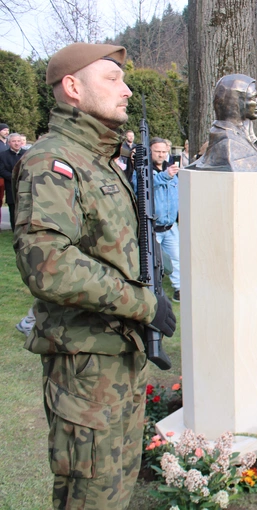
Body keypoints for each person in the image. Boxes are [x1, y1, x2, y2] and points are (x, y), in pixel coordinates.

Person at [13, 42, 177, 509]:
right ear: (72, 87)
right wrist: (144, 305)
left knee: (117, 490)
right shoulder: (54, 161)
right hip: (86, 369)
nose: (125, 89)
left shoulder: (99, 159)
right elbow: (49, 265)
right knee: (90, 498)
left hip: (119, 357)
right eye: (111, 79)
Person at [135, 137, 181, 301]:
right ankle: (152, 293)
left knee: (176, 259)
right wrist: (165, 176)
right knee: (151, 262)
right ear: (150, 151)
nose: (161, 155)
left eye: (164, 151)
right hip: (152, 227)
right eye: (158, 151)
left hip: (170, 226)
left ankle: (179, 290)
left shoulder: (171, 170)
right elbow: (141, 187)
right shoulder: (142, 170)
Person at [0, 132, 26, 231]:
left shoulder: (27, 154)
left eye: (18, 141)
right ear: (9, 143)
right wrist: (15, 178)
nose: (16, 143)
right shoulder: (2, 156)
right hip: (11, 186)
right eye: (14, 141)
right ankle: (15, 231)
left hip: (25, 185)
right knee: (13, 209)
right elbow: (2, 170)